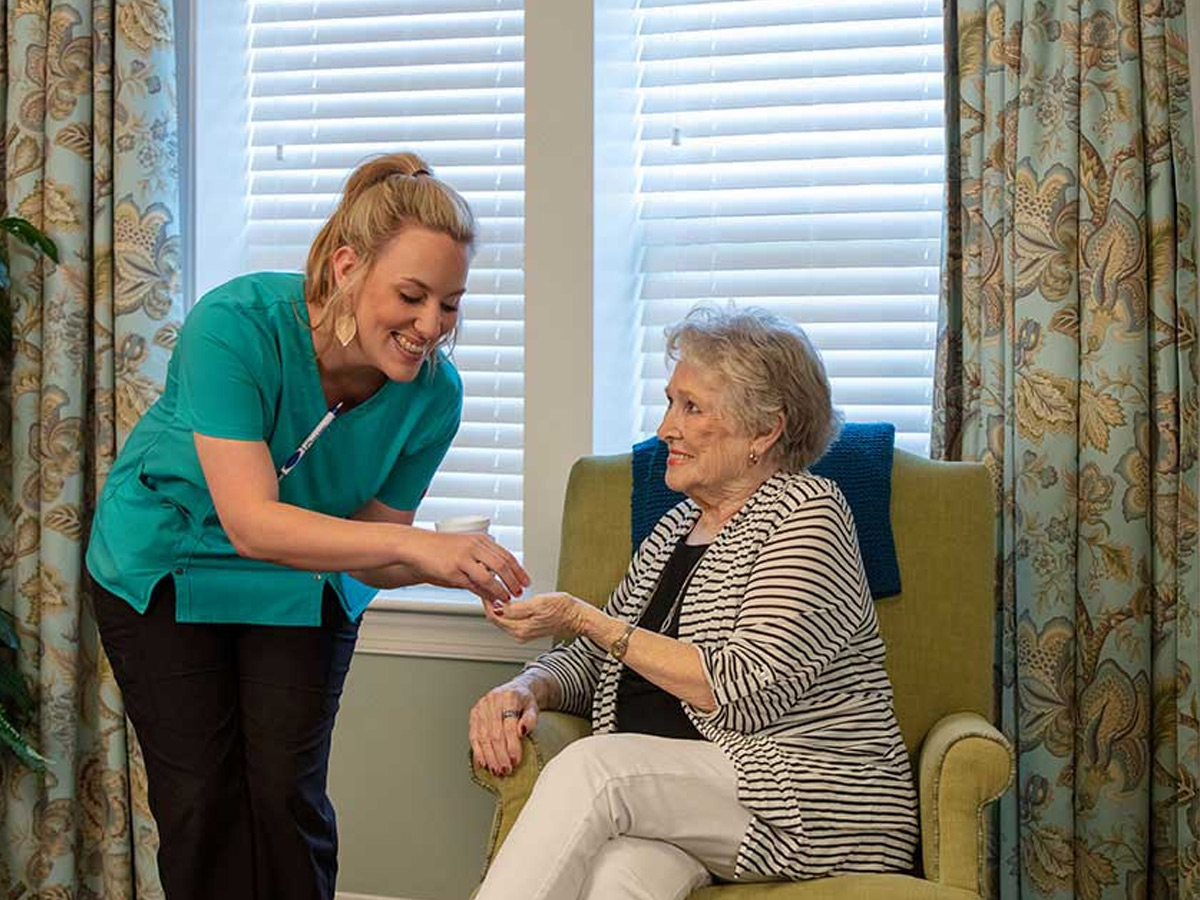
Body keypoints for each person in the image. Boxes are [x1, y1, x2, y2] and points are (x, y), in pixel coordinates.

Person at [86, 152, 530, 900]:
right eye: (412, 296)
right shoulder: (235, 327)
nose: (430, 327)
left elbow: (370, 555)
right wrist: (413, 546)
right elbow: (255, 523)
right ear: (349, 266)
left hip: (306, 584)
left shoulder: (432, 397)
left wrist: (441, 564)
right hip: (169, 565)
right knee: (202, 802)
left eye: (449, 304)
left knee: (287, 797)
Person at [469, 307, 918, 899]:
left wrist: (584, 616)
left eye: (691, 407)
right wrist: (528, 687)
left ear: (765, 431)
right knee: (612, 882)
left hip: (802, 797)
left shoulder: (809, 513)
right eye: (670, 402)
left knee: (590, 769)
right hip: (683, 795)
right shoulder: (676, 527)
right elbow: (597, 663)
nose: (665, 430)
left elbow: (740, 690)